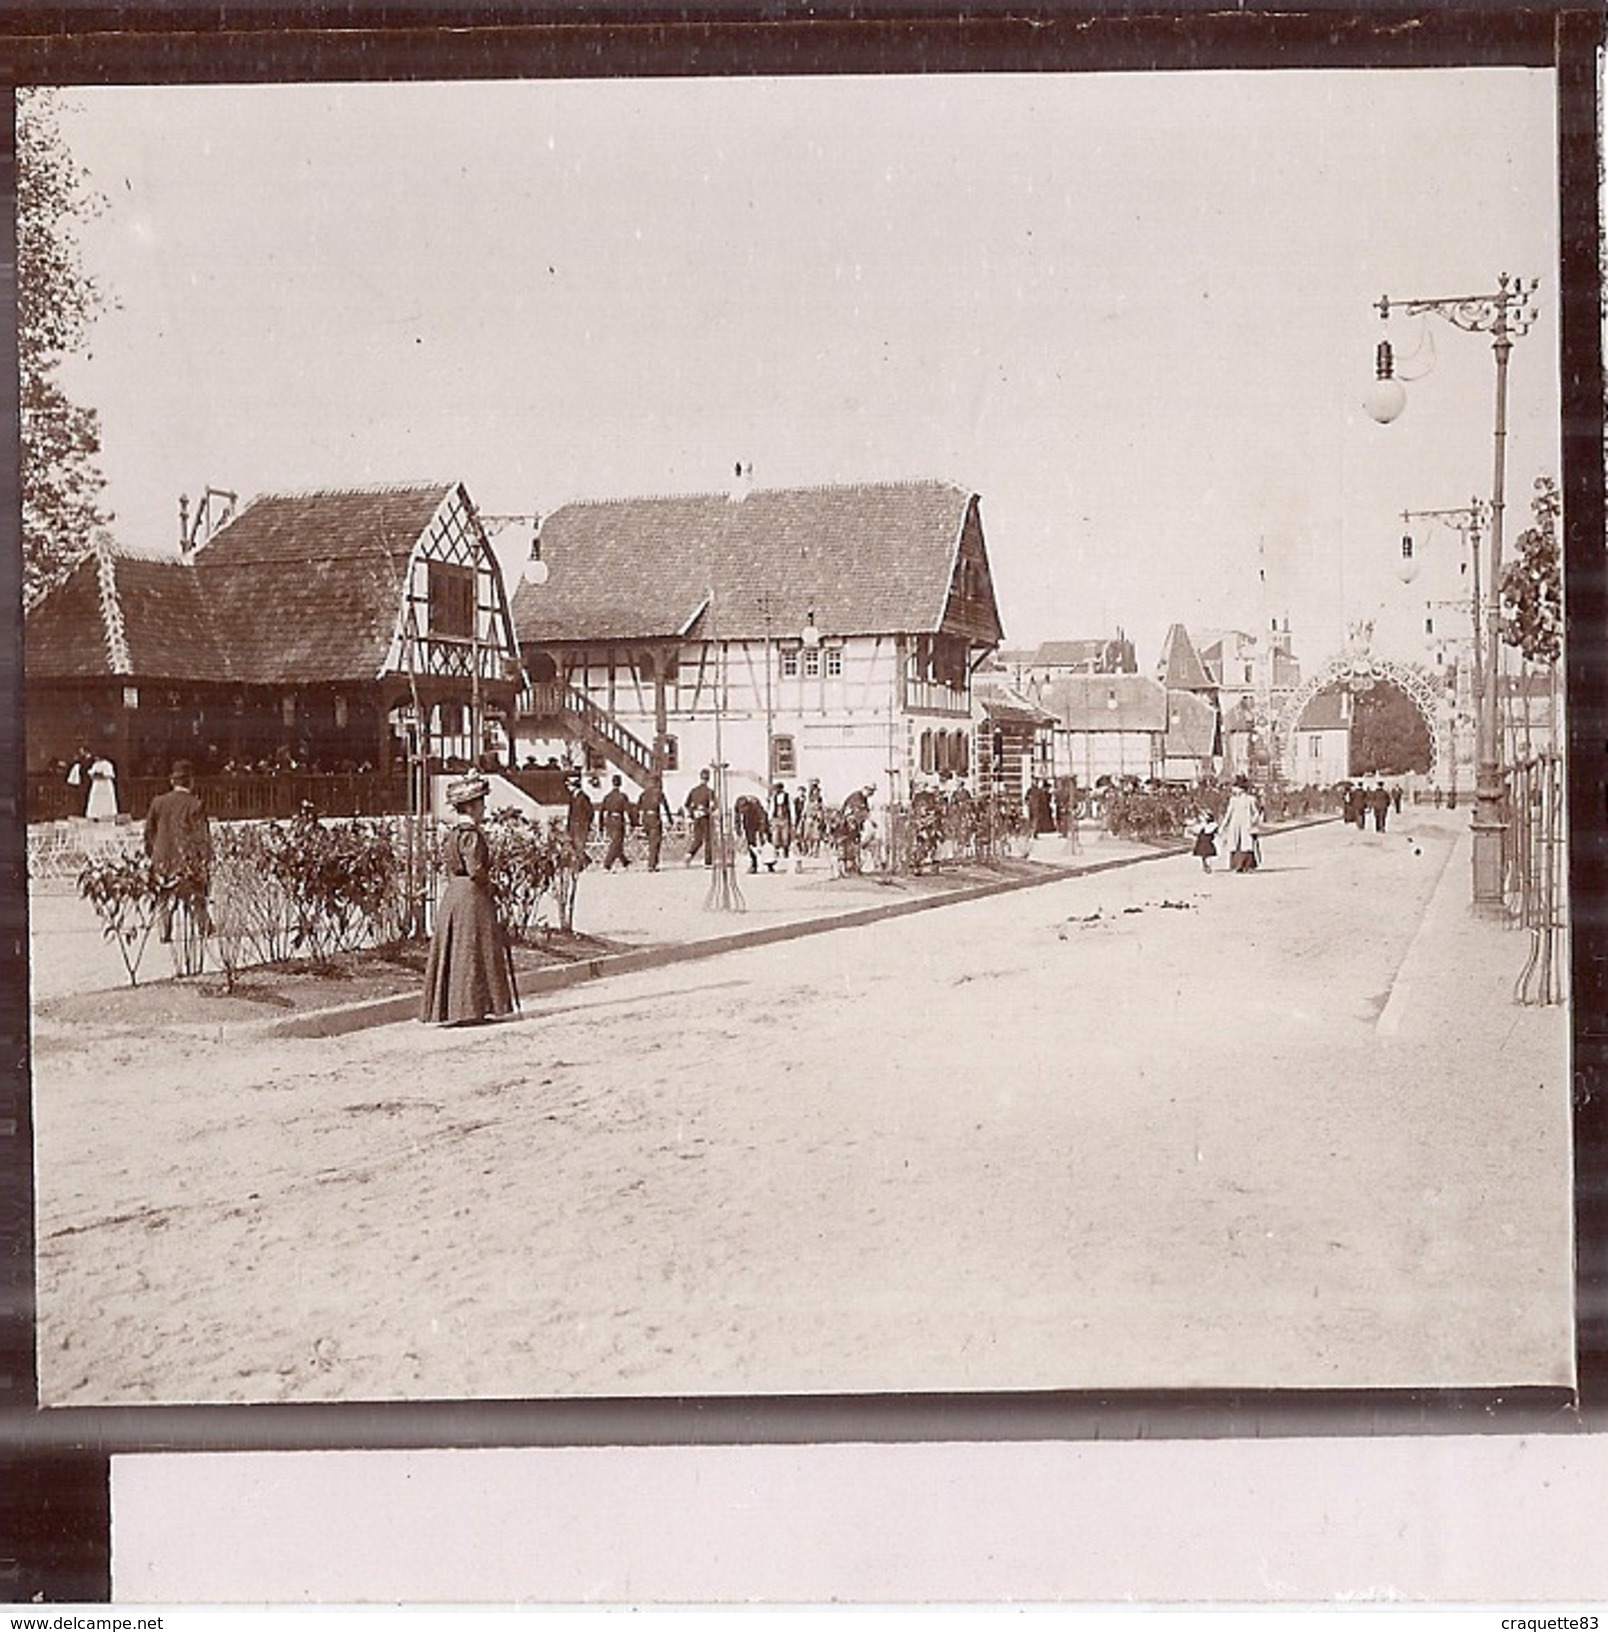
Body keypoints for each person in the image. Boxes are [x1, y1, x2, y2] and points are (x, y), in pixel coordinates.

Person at [420, 772, 514, 1026]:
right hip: (472, 897)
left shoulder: (452, 834)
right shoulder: (471, 834)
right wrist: (492, 886)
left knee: (457, 950)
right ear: (470, 806)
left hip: (454, 894)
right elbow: (476, 869)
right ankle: (472, 1008)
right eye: (481, 804)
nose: (484, 809)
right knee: (473, 949)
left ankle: (455, 1008)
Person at [143, 760, 212, 942]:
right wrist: (205, 859)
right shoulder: (195, 804)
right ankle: (204, 927)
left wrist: (151, 852)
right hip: (186, 859)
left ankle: (164, 932)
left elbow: (149, 831)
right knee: (196, 896)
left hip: (162, 858)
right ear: (191, 781)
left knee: (163, 897)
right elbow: (201, 836)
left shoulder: (158, 802)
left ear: (172, 781)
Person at [1219, 775, 1261, 873]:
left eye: (1235, 787)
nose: (1233, 789)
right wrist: (1223, 826)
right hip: (1235, 825)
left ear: (1241, 789)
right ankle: (1237, 865)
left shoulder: (1251, 799)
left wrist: (1253, 822)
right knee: (1236, 843)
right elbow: (1228, 814)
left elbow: (1256, 813)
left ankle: (1248, 865)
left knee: (1246, 844)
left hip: (1246, 825)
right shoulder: (1233, 800)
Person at [637, 773, 673, 871]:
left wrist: (638, 821)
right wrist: (670, 820)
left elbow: (637, 807)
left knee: (650, 841)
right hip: (654, 818)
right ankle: (652, 864)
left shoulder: (643, 794)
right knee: (655, 841)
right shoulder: (659, 793)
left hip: (645, 818)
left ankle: (652, 862)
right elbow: (665, 807)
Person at [599, 773, 633, 870]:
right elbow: (629, 810)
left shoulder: (607, 797)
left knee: (616, 842)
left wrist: (601, 825)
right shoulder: (622, 796)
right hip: (618, 821)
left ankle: (625, 862)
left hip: (609, 821)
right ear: (620, 783)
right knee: (616, 842)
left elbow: (601, 811)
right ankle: (607, 864)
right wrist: (632, 822)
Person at [684, 768, 715, 866]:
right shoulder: (709, 792)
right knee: (708, 839)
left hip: (696, 817)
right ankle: (708, 861)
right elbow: (715, 805)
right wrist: (707, 811)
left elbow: (686, 804)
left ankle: (690, 853)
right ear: (708, 779)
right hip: (705, 817)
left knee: (698, 838)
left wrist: (692, 812)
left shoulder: (694, 791)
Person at [565, 773, 594, 869]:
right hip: (573, 825)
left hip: (581, 826)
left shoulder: (583, 797)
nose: (568, 787)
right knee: (574, 845)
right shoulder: (573, 797)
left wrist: (586, 823)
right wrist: (568, 826)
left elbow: (590, 812)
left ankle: (581, 865)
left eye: (569, 785)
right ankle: (586, 861)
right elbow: (571, 813)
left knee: (579, 845)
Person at [85, 753, 119, 821]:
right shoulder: (95, 764)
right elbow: (91, 773)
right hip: (97, 784)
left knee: (106, 799)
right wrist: (94, 775)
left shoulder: (107, 764)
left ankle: (108, 814)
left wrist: (101, 775)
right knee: (96, 798)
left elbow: (109, 775)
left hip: (105, 784)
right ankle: (95, 814)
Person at [768, 781, 794, 858]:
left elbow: (791, 808)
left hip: (785, 818)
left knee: (785, 836)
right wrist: (770, 819)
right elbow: (772, 808)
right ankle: (776, 852)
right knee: (775, 836)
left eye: (777, 789)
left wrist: (793, 819)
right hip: (776, 819)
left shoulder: (787, 796)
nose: (776, 791)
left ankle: (785, 851)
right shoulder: (774, 797)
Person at [1190, 808, 1219, 873]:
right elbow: (1196, 831)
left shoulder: (1212, 825)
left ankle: (1207, 866)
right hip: (1202, 842)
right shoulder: (1202, 825)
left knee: (1208, 855)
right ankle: (1205, 865)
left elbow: (1215, 833)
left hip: (1207, 842)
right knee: (1203, 855)